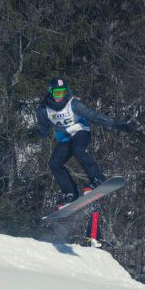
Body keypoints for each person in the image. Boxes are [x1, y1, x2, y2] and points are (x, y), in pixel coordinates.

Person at [36, 77, 132, 208]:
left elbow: (93, 116)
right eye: (57, 93)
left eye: (63, 92)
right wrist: (39, 133)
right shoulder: (43, 109)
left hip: (80, 131)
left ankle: (97, 178)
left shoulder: (73, 103)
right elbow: (43, 128)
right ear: (50, 92)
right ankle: (70, 194)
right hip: (65, 138)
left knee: (78, 150)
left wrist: (117, 124)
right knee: (54, 163)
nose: (61, 96)